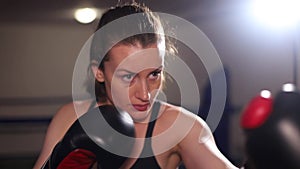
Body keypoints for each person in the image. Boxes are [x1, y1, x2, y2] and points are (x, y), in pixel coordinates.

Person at [34, 2, 239, 169]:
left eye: (154, 74)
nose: (145, 94)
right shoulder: (70, 117)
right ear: (99, 72)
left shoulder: (180, 126)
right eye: (127, 77)